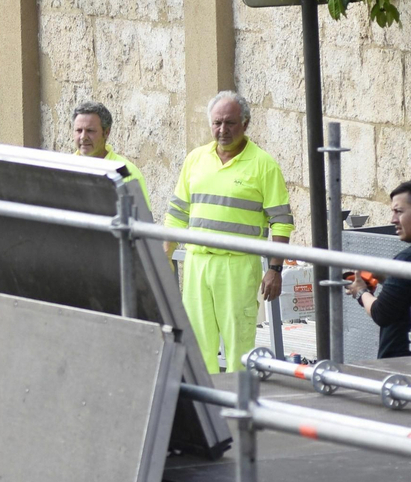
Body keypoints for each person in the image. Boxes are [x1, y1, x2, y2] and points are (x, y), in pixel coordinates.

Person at [164, 90, 293, 370]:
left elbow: (281, 221)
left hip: (238, 266)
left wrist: (275, 269)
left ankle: (239, 406)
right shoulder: (195, 160)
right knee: (197, 344)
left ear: (245, 124)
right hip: (197, 263)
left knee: (238, 344)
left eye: (230, 123)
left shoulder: (263, 165)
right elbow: (177, 213)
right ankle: (205, 408)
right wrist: (165, 255)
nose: (222, 130)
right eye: (217, 122)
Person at [346, 180, 411, 358]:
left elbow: (382, 313)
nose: (393, 219)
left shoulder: (406, 259)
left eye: (399, 211)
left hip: (401, 367)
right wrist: (388, 279)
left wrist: (360, 292)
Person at [72, 100, 150, 213]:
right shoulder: (64, 168)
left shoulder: (127, 172)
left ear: (106, 133)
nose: (83, 137)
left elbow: (141, 222)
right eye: (79, 130)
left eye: (90, 131)